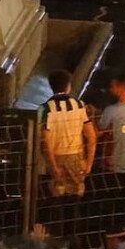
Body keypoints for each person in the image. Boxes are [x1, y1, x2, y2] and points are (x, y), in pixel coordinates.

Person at [41, 69, 97, 205]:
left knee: (56, 198)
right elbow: (91, 136)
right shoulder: (78, 105)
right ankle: (73, 224)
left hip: (56, 156)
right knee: (75, 197)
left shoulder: (45, 109)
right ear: (68, 86)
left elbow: (46, 142)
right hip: (76, 156)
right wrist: (89, 163)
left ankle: (56, 225)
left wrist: (53, 167)